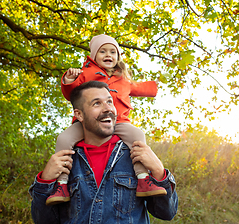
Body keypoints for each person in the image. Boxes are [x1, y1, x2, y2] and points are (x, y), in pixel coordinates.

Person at [29, 81, 178, 223]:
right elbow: (44, 220)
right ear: (79, 115)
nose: (107, 108)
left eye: (109, 102)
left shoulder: (136, 154)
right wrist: (45, 181)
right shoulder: (66, 161)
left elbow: (167, 213)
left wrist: (159, 172)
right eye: (97, 103)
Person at [46, 34, 166, 206]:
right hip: (88, 123)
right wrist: (69, 79)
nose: (108, 55)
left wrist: (157, 86)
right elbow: (71, 93)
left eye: (112, 52)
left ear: (118, 57)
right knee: (63, 139)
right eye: (102, 51)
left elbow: (139, 88)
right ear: (94, 56)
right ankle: (61, 184)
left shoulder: (123, 80)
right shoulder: (86, 74)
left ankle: (143, 178)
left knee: (137, 135)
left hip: (120, 122)